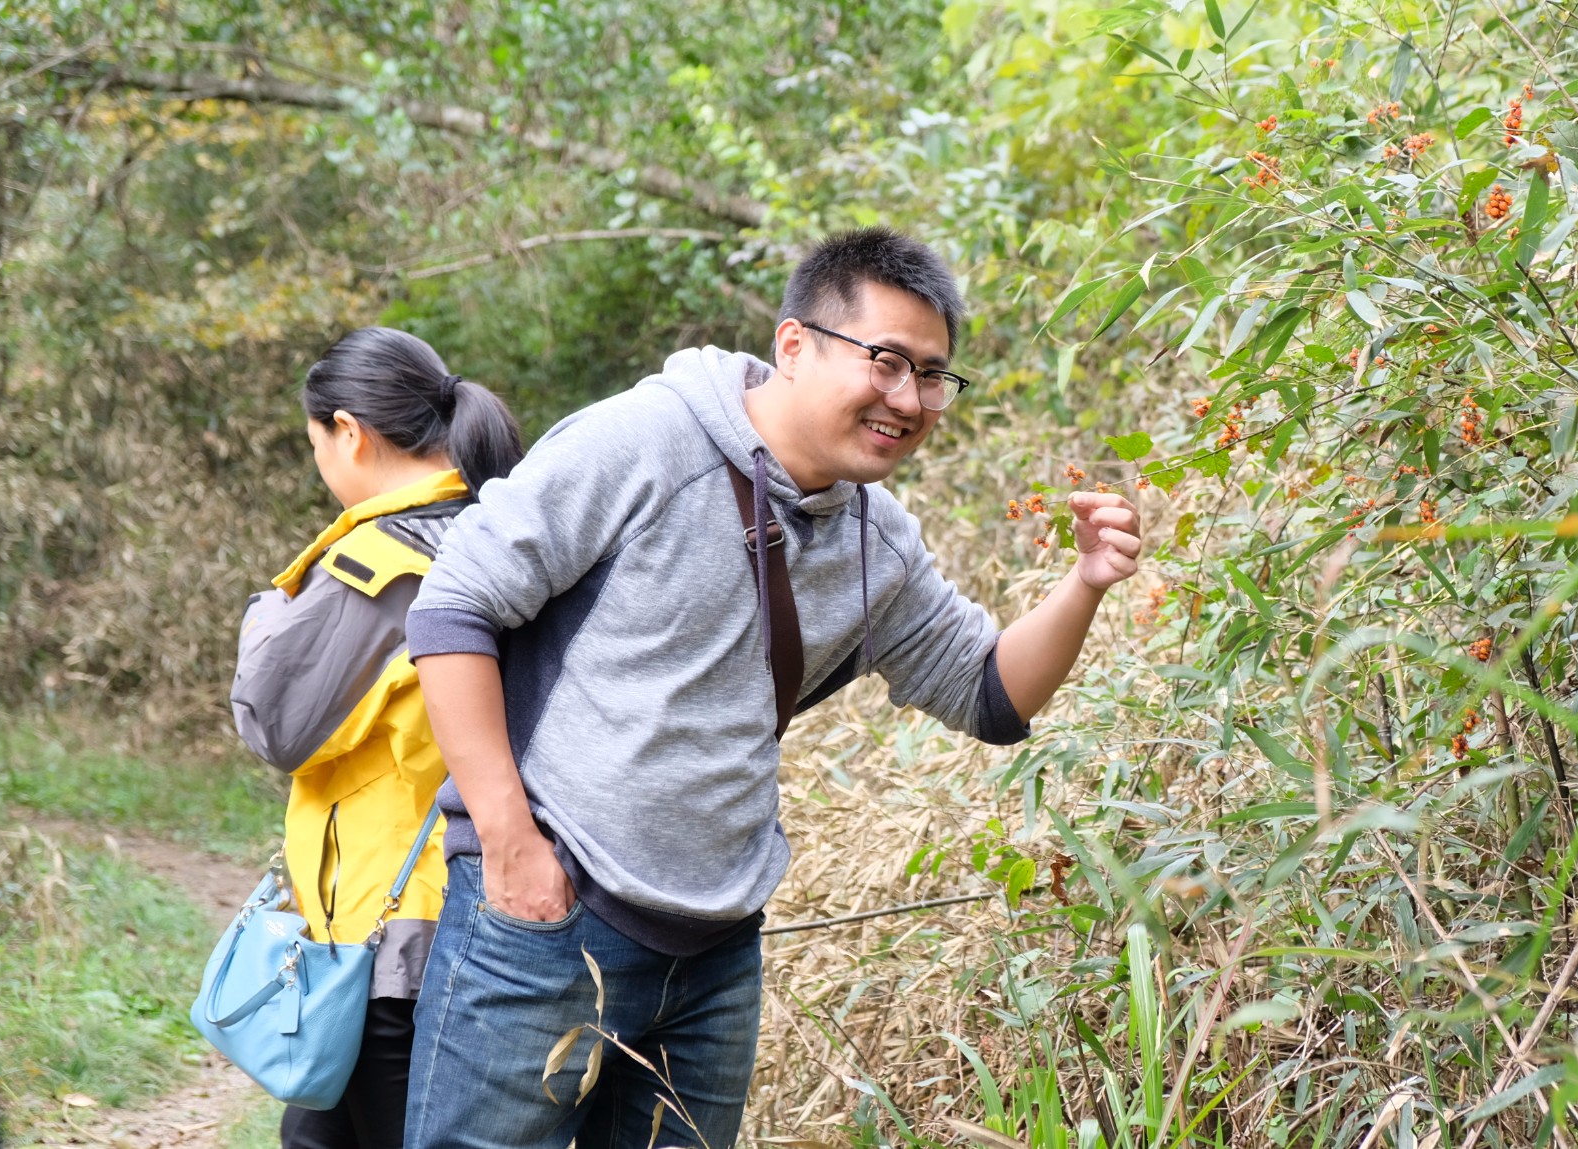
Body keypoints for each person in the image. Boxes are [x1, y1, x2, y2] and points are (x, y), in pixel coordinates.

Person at [402, 228, 1143, 1149]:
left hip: (715, 956)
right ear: (794, 345)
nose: (907, 398)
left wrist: (1085, 584)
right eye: (885, 361)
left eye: (933, 375)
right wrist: (510, 844)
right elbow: (452, 610)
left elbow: (990, 694)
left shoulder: (879, 539)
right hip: (546, 922)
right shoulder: (644, 441)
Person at [230, 328, 523, 1149]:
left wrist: (267, 612)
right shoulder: (498, 526)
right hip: (469, 908)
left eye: (318, 442)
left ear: (349, 431)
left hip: (387, 931)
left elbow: (275, 720)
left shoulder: (381, 559)